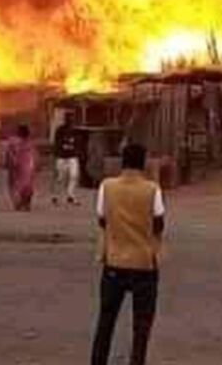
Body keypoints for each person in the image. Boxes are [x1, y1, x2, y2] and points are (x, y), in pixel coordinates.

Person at [92, 143, 166, 365]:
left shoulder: (107, 186)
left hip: (114, 261)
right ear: (143, 163)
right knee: (141, 325)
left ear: (122, 161)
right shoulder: (152, 189)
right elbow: (159, 222)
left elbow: (102, 218)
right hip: (144, 263)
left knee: (106, 321)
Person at [6, 125, 38, 211]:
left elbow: (10, 154)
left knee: (18, 186)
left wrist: (11, 163)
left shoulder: (13, 142)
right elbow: (34, 155)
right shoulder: (29, 143)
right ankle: (25, 203)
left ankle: (21, 203)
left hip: (19, 166)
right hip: (27, 166)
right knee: (27, 186)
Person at [52, 120, 83, 205]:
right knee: (60, 178)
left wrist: (77, 151)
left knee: (74, 175)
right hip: (62, 156)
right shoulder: (60, 130)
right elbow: (56, 143)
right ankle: (56, 196)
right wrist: (57, 152)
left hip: (72, 156)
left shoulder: (75, 131)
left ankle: (71, 195)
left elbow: (78, 143)